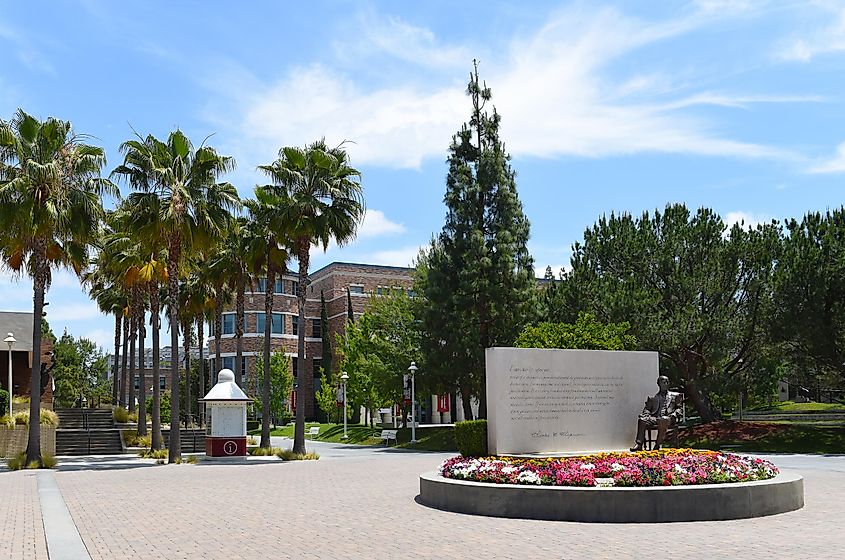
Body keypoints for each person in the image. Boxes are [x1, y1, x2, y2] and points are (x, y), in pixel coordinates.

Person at [629, 375, 683, 451]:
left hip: (669, 418)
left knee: (663, 419)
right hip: (656, 418)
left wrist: (674, 415)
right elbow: (647, 409)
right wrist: (646, 414)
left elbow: (679, 408)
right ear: (659, 384)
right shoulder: (653, 398)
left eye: (667, 382)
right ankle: (639, 444)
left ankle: (657, 445)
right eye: (664, 382)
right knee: (642, 420)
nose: (666, 383)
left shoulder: (676, 396)